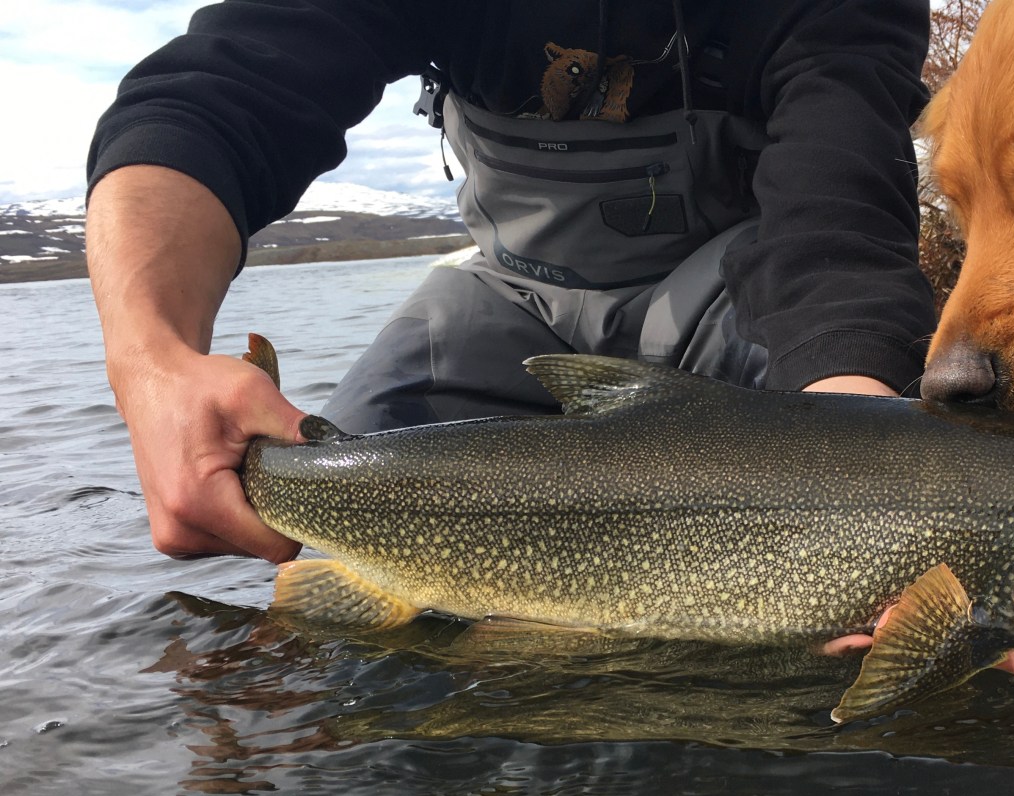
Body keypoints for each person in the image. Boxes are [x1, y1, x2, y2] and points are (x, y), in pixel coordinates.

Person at [87, 0, 938, 566]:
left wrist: (872, 474)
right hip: (508, 295)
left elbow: (837, 224)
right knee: (332, 567)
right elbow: (212, 103)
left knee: (883, 499)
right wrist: (151, 358)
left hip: (744, 295)